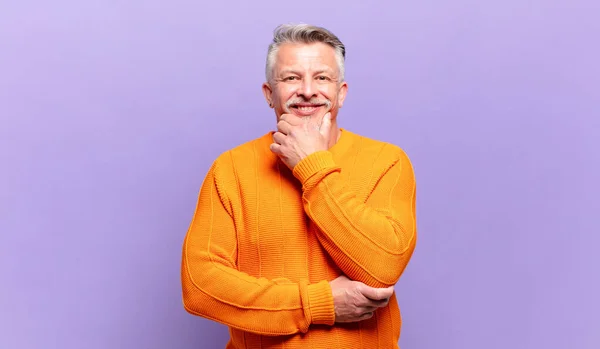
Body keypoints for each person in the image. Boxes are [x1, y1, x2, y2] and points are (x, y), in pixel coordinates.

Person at [180, 23, 417, 349]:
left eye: (322, 77)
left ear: (342, 93)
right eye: (291, 78)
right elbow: (201, 286)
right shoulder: (231, 169)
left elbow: (382, 268)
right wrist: (318, 303)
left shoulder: (388, 162)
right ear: (269, 94)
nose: (308, 90)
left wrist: (311, 165)